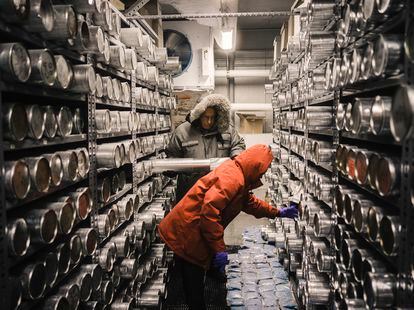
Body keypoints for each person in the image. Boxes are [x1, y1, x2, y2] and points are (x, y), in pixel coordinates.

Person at [158, 144, 298, 310]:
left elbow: (249, 203)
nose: (263, 174)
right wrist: (219, 249)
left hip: (195, 227)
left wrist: (277, 212)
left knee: (199, 267)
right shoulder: (233, 178)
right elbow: (209, 214)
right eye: (263, 170)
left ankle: (210, 273)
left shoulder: (240, 176)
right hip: (187, 231)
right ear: (255, 166)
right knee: (193, 281)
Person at [165, 93, 246, 203]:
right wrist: (170, 167)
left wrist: (236, 156)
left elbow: (238, 145)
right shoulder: (182, 132)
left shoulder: (227, 131)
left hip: (219, 192)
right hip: (190, 193)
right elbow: (172, 156)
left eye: (212, 117)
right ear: (198, 115)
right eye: (206, 117)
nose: (209, 121)